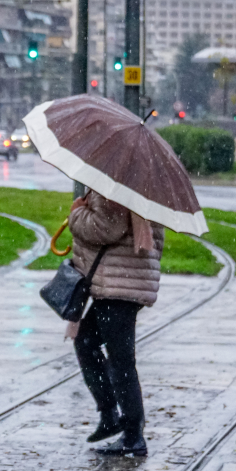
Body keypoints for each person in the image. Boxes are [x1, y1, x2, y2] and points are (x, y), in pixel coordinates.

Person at [68, 190, 164, 457]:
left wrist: (76, 213)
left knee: (120, 359)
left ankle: (133, 434)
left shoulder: (115, 189)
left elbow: (105, 228)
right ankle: (110, 414)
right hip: (124, 278)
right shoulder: (142, 188)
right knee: (86, 342)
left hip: (118, 282)